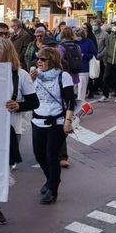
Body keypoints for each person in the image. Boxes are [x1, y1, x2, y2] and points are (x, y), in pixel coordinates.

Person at [0, 38, 39, 233]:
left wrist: (18, 105)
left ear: (4, 53)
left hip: (8, 132)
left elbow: (34, 102)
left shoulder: (20, 76)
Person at [29, 47, 76, 204]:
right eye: (38, 59)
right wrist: (30, 79)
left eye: (43, 59)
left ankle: (53, 190)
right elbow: (27, 95)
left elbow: (70, 101)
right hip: (37, 121)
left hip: (56, 122)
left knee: (52, 156)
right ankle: (51, 180)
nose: (39, 62)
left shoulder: (64, 76)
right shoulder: (36, 76)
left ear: (53, 60)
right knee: (39, 155)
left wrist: (68, 121)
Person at [74, 27, 97, 101]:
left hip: (84, 68)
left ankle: (81, 104)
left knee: (81, 89)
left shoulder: (89, 42)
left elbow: (93, 54)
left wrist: (84, 55)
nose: (77, 37)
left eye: (78, 36)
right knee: (73, 89)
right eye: (76, 35)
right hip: (73, 69)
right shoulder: (73, 42)